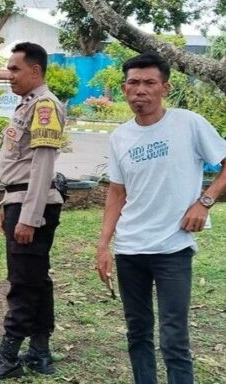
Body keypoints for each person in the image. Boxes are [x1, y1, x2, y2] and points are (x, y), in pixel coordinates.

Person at [96, 52, 226, 384]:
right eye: (133, 83)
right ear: (124, 89)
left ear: (164, 87)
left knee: (174, 337)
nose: (141, 90)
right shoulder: (120, 137)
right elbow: (116, 192)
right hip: (130, 250)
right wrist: (103, 245)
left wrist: (204, 201)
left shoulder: (188, 123)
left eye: (149, 83)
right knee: (138, 332)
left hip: (173, 249)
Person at [0, 42, 66, 382]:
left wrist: (29, 216)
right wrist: (7, 204)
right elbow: (20, 164)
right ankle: (40, 352)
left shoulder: (44, 106)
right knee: (36, 279)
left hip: (32, 206)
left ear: (35, 71)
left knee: (23, 282)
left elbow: (42, 165)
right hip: (20, 200)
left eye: (14, 69)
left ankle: (9, 356)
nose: (8, 75)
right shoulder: (27, 105)